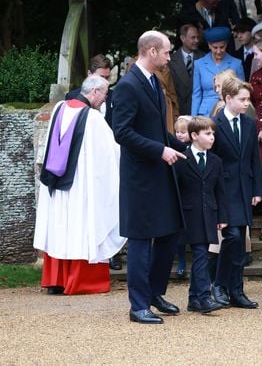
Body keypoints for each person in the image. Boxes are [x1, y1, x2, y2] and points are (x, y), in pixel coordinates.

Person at [112, 30, 187, 324]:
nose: (170, 57)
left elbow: (155, 128)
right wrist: (159, 150)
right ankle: (138, 304)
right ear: (152, 51)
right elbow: (122, 132)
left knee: (170, 232)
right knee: (141, 239)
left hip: (159, 171)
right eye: (167, 52)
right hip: (140, 176)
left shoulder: (154, 81)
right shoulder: (128, 86)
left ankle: (155, 293)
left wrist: (184, 146)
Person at [33, 74, 126, 295]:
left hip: (57, 183)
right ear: (94, 92)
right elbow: (111, 153)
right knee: (82, 228)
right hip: (81, 187)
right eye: (104, 93)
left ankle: (57, 281)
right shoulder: (93, 119)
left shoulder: (60, 108)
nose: (106, 98)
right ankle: (81, 281)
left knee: (59, 230)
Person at [64, 54, 123, 271]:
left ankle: (111, 254)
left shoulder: (113, 97)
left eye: (108, 79)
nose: (106, 86)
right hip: (82, 168)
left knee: (109, 205)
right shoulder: (71, 99)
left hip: (108, 161)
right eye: (102, 78)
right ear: (91, 78)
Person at [211, 77, 262, 309]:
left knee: (240, 240)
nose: (246, 103)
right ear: (228, 98)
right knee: (231, 237)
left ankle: (236, 290)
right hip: (223, 189)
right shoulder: (214, 124)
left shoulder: (249, 123)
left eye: (248, 99)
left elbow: (254, 159)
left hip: (243, 188)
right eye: (242, 99)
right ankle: (220, 285)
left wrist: (257, 189)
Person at [175, 116, 228, 314]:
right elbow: (176, 190)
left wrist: (222, 216)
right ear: (194, 135)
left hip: (210, 214)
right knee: (200, 255)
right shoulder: (181, 159)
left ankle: (194, 298)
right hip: (189, 215)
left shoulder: (215, 161)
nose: (212, 137)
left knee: (202, 255)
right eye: (208, 133)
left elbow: (220, 191)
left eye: (213, 133)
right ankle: (204, 297)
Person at [192, 26, 245, 116]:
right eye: (215, 47)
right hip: (206, 113)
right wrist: (193, 118)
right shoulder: (199, 64)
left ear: (226, 44)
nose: (219, 51)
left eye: (222, 47)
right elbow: (196, 94)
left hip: (230, 111)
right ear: (209, 45)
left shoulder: (236, 64)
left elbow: (242, 92)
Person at [65, 54, 114, 128]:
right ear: (89, 74)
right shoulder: (72, 96)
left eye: (107, 77)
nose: (104, 81)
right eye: (101, 77)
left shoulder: (115, 96)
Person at [169, 22, 206, 117]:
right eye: (193, 37)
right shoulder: (170, 60)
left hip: (199, 113)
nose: (197, 40)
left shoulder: (204, 58)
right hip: (179, 113)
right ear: (183, 38)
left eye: (197, 37)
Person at [173, 115, 194, 279]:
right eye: (177, 132)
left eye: (183, 132)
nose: (179, 135)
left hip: (191, 194)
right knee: (180, 233)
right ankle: (180, 262)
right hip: (179, 194)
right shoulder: (174, 149)